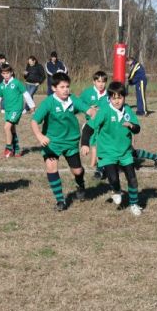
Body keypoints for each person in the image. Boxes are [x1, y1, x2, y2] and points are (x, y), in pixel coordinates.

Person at [31, 73, 96, 211]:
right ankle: (60, 201)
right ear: (54, 88)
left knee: (77, 171)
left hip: (71, 142)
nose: (66, 89)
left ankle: (80, 184)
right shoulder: (48, 102)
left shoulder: (73, 99)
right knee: (51, 167)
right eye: (62, 87)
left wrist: (94, 113)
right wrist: (40, 136)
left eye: (67, 86)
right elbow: (34, 121)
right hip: (52, 143)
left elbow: (88, 109)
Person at [81, 82, 143, 216]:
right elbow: (88, 128)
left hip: (125, 152)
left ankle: (134, 204)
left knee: (132, 179)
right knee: (114, 179)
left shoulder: (127, 110)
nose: (117, 101)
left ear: (124, 98)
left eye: (120, 98)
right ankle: (116, 190)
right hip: (107, 152)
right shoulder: (104, 111)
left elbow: (137, 129)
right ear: (109, 98)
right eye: (114, 98)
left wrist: (131, 126)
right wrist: (84, 143)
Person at [0, 64, 36, 158]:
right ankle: (16, 150)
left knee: (7, 127)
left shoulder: (17, 83)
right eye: (4, 73)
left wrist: (32, 105)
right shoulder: (1, 86)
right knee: (12, 128)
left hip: (16, 109)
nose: (6, 75)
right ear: (1, 74)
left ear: (11, 73)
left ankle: (9, 149)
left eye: (7, 73)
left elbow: (26, 94)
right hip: (8, 110)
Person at [79, 71, 110, 174]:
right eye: (98, 81)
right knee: (93, 144)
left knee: (98, 145)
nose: (101, 84)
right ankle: (93, 164)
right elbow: (78, 104)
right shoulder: (87, 93)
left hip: (104, 125)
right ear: (94, 82)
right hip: (91, 124)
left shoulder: (109, 94)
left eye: (103, 81)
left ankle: (95, 164)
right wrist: (88, 108)